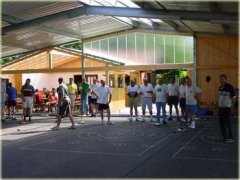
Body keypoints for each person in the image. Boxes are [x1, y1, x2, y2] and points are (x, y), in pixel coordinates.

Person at [218, 74, 235, 143]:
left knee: (227, 123)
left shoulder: (230, 87)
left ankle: (231, 138)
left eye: (222, 79)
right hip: (220, 108)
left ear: (225, 79)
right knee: (221, 123)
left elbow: (233, 98)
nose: (220, 80)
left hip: (227, 108)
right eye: (219, 79)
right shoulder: (220, 87)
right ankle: (225, 137)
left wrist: (232, 107)